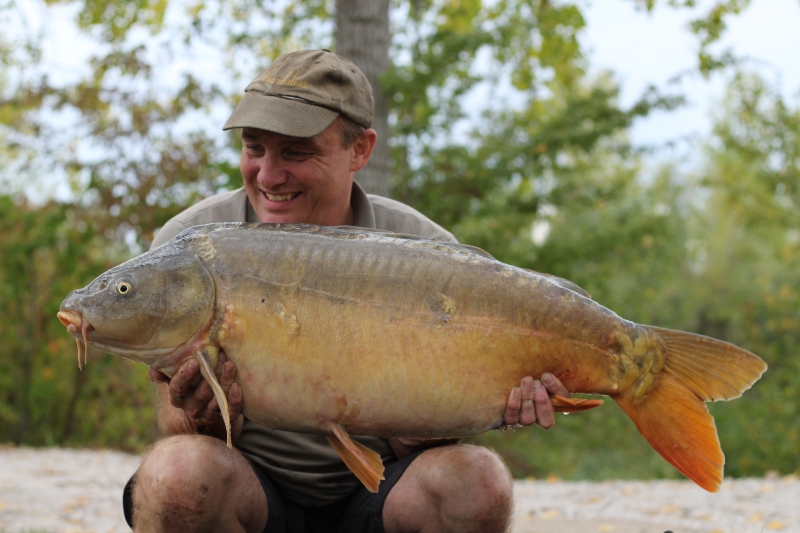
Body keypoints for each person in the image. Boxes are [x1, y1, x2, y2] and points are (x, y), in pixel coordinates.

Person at [124, 49, 572, 532]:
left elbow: (421, 447)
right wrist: (198, 415)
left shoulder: (431, 256)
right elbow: (173, 427)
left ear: (360, 150)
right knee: (177, 475)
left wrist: (473, 410)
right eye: (255, 149)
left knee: (478, 482)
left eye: (296, 152)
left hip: (383, 498)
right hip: (251, 494)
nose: (269, 175)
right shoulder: (191, 247)